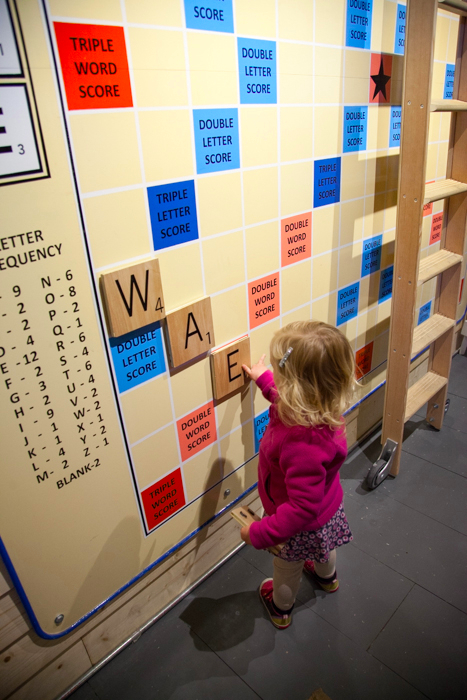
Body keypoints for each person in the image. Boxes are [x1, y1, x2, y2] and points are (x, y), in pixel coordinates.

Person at [241, 320, 356, 629]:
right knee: (324, 548)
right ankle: (327, 578)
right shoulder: (320, 409)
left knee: (286, 567)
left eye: (280, 374)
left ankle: (281, 608)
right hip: (327, 512)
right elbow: (284, 398)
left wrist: (259, 533)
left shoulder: (302, 442)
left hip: (298, 525)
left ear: (295, 388)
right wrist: (263, 380)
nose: (276, 379)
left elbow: (301, 509)